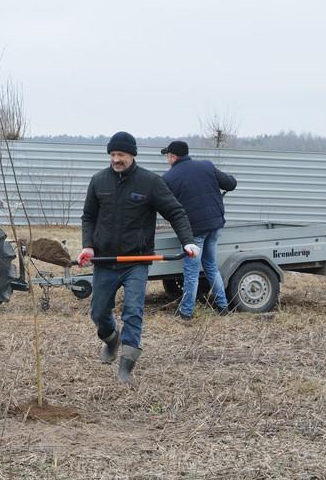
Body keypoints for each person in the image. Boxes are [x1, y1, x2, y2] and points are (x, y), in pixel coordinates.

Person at [78, 131, 200, 384]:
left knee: (133, 311)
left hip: (136, 261)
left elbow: (175, 212)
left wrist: (187, 241)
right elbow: (88, 217)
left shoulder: (150, 182)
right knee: (99, 313)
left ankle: (126, 366)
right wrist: (88, 246)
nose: (116, 159)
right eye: (112, 154)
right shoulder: (98, 181)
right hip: (105, 260)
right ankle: (111, 339)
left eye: (121, 154)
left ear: (132, 155)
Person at [161, 140, 237, 320]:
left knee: (191, 272)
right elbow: (230, 184)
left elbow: (165, 206)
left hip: (194, 231)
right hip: (215, 225)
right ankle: (223, 306)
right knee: (211, 265)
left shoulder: (169, 178)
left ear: (173, 156)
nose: (167, 159)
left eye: (167, 156)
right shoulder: (206, 166)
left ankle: (186, 312)